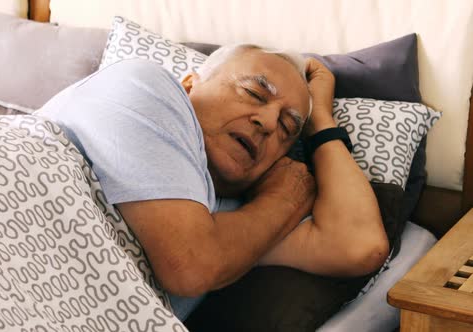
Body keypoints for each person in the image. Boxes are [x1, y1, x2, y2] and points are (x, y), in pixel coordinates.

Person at [35, 44, 389, 321]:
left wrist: (321, 125)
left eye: (286, 127)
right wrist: (282, 201)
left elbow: (360, 245)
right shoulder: (141, 84)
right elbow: (189, 265)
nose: (267, 121)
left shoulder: (233, 224)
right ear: (189, 85)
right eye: (254, 92)